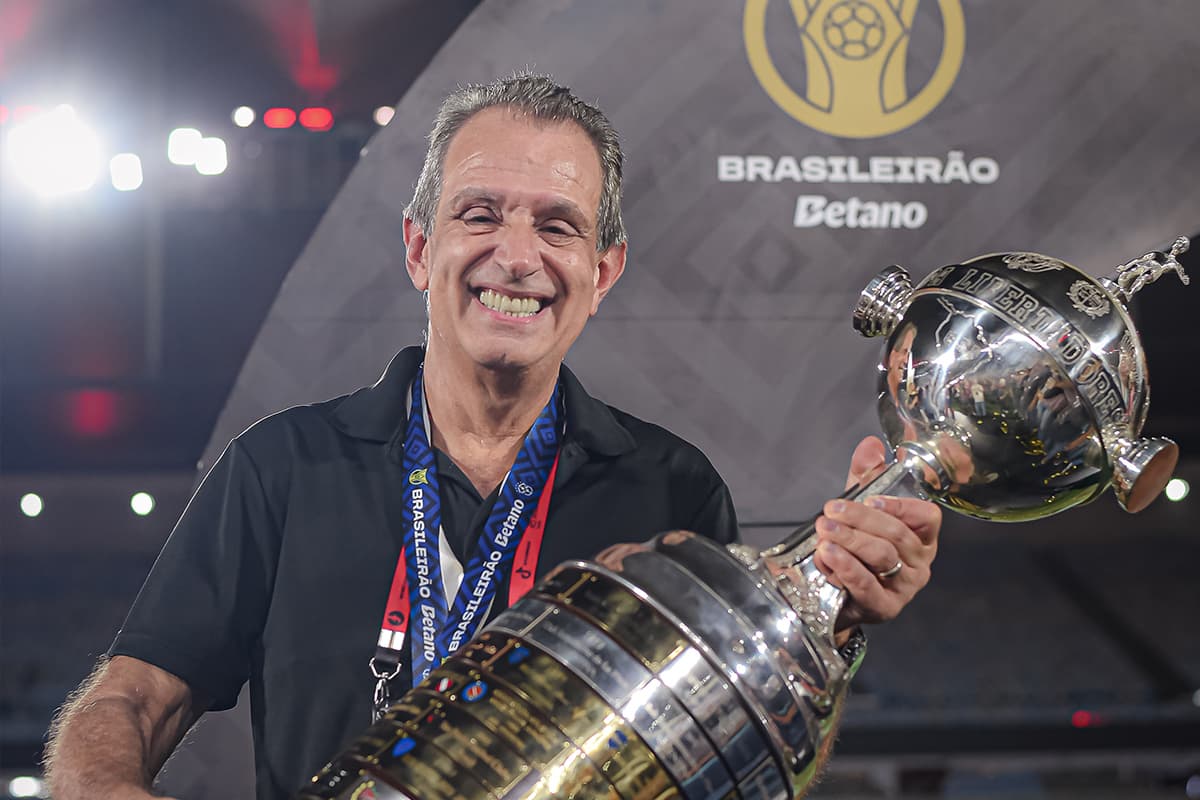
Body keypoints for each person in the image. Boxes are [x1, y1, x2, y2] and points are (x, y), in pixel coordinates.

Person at [43, 74, 941, 800]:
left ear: (602, 272)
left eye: (557, 225)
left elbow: (740, 761)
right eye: (481, 214)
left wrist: (835, 623)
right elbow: (132, 696)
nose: (517, 255)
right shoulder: (282, 466)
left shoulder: (670, 487)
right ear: (418, 248)